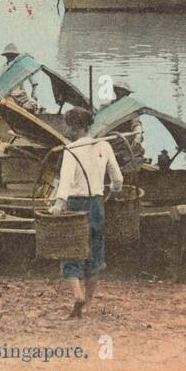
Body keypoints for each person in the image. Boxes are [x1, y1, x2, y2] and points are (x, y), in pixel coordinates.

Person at [48, 107, 122, 319]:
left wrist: (57, 206)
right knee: (95, 253)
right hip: (97, 204)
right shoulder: (104, 146)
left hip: (75, 205)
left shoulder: (70, 150)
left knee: (71, 251)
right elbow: (118, 179)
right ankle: (88, 303)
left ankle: (78, 295)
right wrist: (113, 192)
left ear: (72, 127)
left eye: (67, 125)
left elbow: (65, 183)